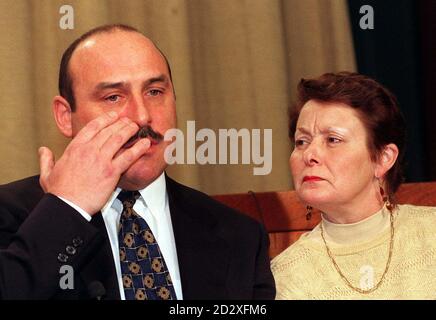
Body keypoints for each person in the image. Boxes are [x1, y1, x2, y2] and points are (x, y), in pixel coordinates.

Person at [0, 24, 275, 300]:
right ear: (65, 116)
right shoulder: (13, 216)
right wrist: (69, 209)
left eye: (154, 91)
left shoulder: (241, 236)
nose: (142, 116)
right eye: (113, 97)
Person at [271, 71, 436, 299]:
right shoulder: (286, 276)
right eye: (302, 141)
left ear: (383, 158)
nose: (309, 154)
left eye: (333, 140)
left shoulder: (430, 233)